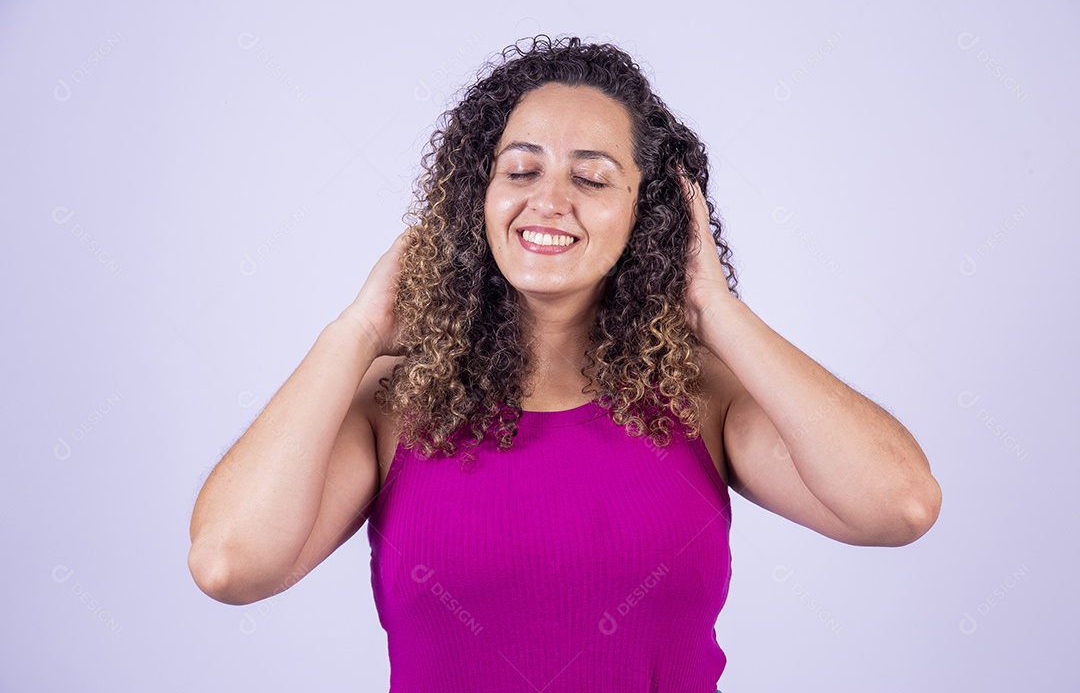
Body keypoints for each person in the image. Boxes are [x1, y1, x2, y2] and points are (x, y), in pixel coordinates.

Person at [188, 35, 942, 691]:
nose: (548, 201)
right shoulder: (396, 404)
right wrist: (352, 332)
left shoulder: (701, 397)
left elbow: (898, 506)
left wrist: (719, 311)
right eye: (520, 172)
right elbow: (229, 564)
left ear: (648, 214)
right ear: (475, 202)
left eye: (591, 177)